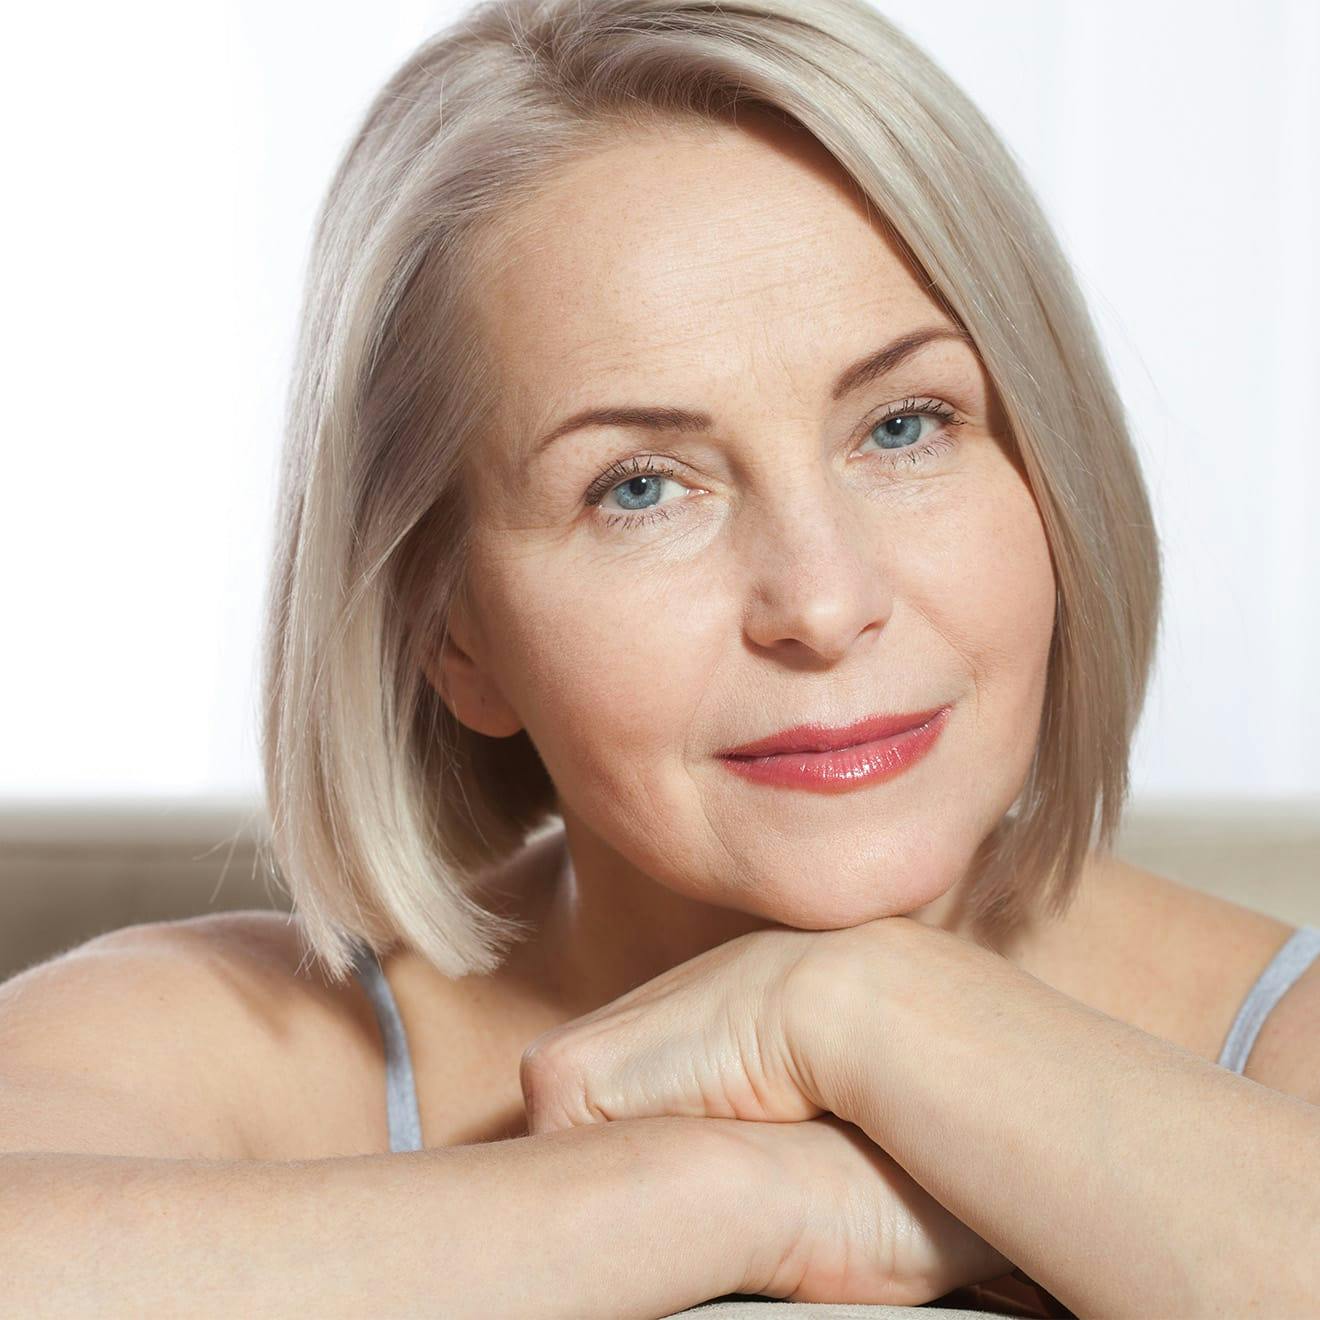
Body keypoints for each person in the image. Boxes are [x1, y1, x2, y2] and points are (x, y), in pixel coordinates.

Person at [2, 2, 1317, 1316]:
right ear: (449, 631)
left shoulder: (1282, 1037)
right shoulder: (247, 1049)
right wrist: (741, 1196)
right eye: (639, 488)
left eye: (904, 425)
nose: (823, 602)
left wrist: (870, 1014)